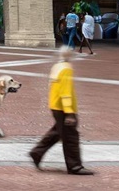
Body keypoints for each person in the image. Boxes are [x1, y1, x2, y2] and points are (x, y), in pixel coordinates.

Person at [29, 47, 94, 175]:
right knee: (70, 137)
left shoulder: (57, 67)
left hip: (55, 105)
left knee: (57, 132)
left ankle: (37, 152)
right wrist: (69, 113)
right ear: (69, 56)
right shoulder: (66, 69)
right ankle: (75, 166)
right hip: (63, 108)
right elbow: (66, 92)